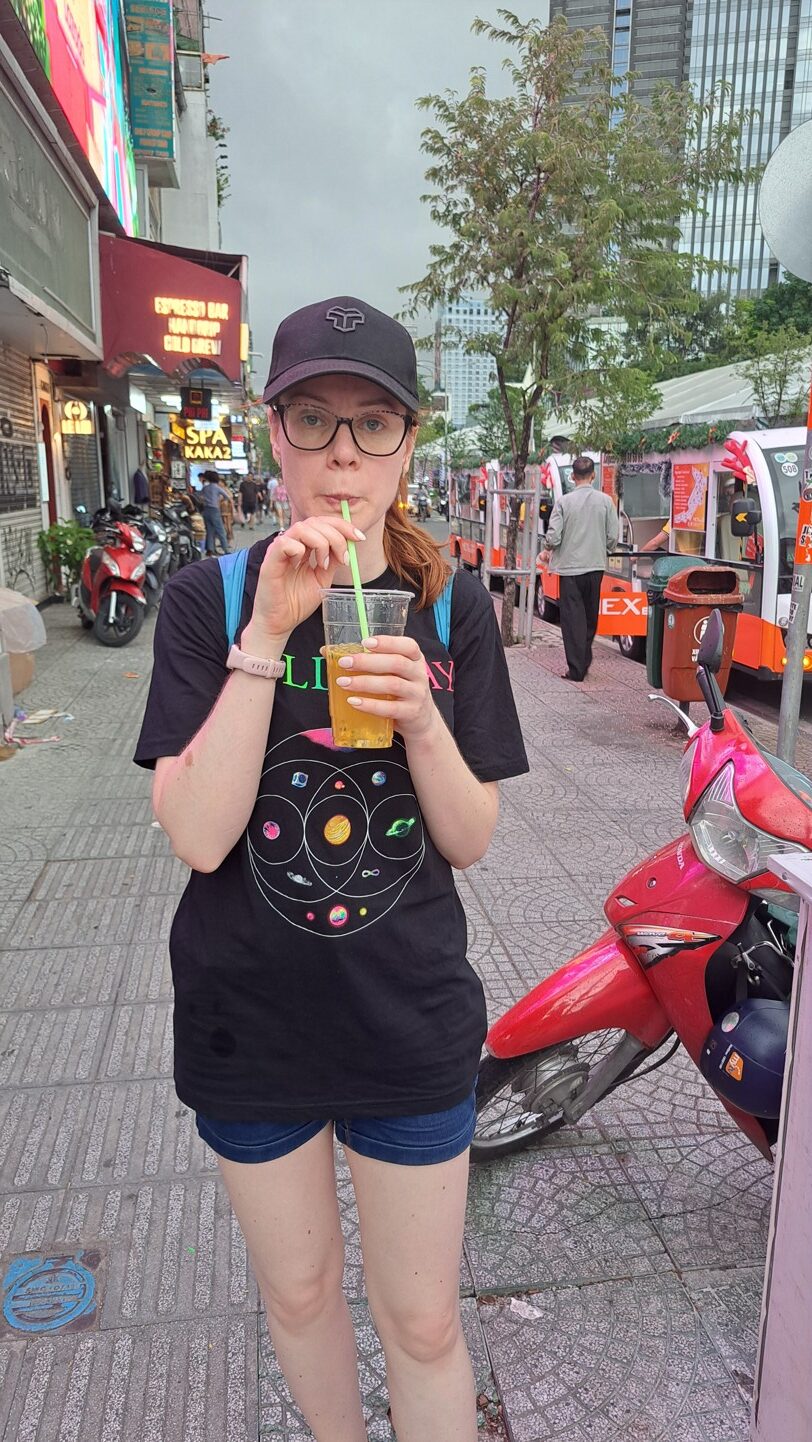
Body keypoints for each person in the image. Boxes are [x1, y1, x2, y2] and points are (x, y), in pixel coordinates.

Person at [134, 294, 528, 1442]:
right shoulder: (208, 601)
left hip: (407, 1018)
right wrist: (265, 636)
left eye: (372, 423)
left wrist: (422, 720)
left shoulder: (448, 606)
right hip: (247, 1025)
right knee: (300, 1294)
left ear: (407, 444)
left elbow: (469, 834)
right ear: (275, 434)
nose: (342, 454)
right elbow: (198, 835)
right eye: (313, 419)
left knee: (422, 1320)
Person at [541, 453, 618, 681]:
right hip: (595, 567)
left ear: (573, 477)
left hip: (570, 569)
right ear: (593, 475)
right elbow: (612, 537)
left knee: (572, 618)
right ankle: (583, 661)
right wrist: (603, 548)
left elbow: (553, 537)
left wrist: (548, 547)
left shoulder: (563, 502)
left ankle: (576, 668)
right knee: (590, 617)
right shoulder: (606, 501)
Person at [198, 469, 232, 556]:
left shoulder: (205, 488)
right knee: (221, 530)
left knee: (209, 530)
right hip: (214, 510)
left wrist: (206, 501)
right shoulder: (217, 488)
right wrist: (220, 500)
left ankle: (210, 550)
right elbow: (227, 496)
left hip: (206, 510)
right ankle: (226, 550)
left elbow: (200, 497)